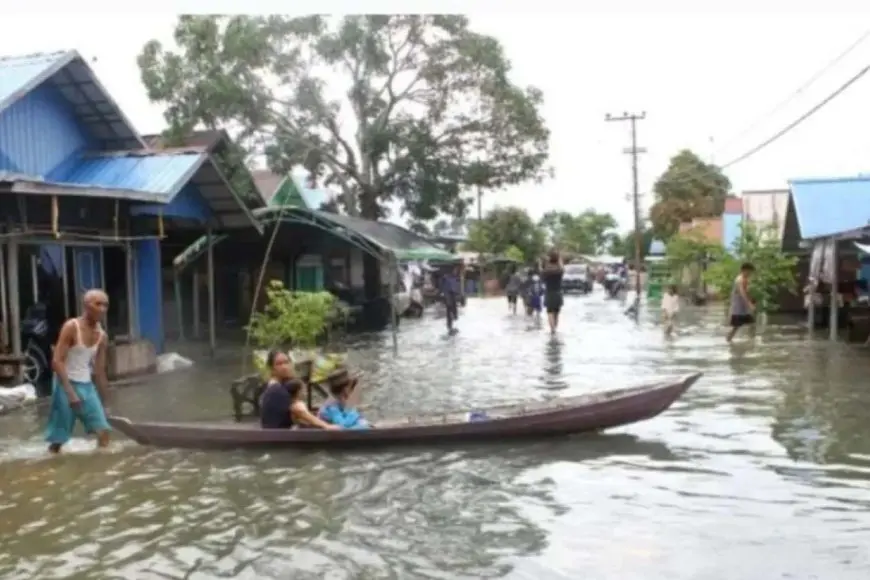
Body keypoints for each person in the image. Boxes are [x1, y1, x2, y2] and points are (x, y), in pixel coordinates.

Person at [45, 289, 112, 453]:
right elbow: (57, 361)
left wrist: (105, 403)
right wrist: (70, 393)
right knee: (59, 439)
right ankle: (51, 459)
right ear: (86, 305)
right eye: (98, 304)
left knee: (103, 432)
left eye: (105, 305)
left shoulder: (102, 336)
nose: (102, 309)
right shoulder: (71, 327)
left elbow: (100, 371)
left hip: (86, 385)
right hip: (65, 383)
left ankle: (99, 466)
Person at [260, 349, 338, 430]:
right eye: (279, 364)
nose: (284, 367)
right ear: (272, 368)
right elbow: (299, 410)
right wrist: (326, 426)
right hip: (277, 436)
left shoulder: (276, 386)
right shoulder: (276, 389)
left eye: (286, 362)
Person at [727, 262, 756, 343]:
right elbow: (742, 292)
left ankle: (751, 342)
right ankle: (728, 340)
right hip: (738, 308)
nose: (750, 274)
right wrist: (749, 304)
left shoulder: (745, 279)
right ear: (744, 270)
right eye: (749, 272)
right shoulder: (739, 280)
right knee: (736, 327)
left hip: (744, 308)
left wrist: (752, 301)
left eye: (751, 272)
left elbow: (747, 292)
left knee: (752, 324)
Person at [540, 250, 564, 333]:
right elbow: (562, 267)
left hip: (549, 293)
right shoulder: (559, 270)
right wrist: (560, 259)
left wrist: (542, 263)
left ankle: (552, 329)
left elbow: (541, 274)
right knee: (556, 312)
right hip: (558, 293)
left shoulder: (546, 271)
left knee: (550, 312)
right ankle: (555, 328)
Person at [440, 265, 461, 333]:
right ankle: (449, 326)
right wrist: (442, 292)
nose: (456, 271)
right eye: (455, 270)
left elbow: (457, 285)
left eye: (456, 270)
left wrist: (458, 292)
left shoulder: (456, 277)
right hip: (448, 293)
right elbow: (442, 285)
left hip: (453, 294)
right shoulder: (446, 277)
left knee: (453, 308)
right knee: (449, 308)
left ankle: (452, 323)